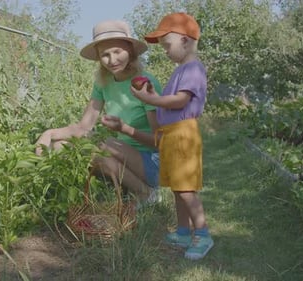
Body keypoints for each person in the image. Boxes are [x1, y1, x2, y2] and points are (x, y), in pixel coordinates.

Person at [34, 20, 162, 204]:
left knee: (102, 142)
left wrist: (124, 129)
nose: (112, 60)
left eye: (117, 52)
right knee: (60, 146)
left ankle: (146, 193)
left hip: (154, 162)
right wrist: (49, 134)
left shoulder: (145, 82)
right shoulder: (104, 82)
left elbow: (160, 141)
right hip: (124, 157)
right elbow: (84, 127)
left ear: (131, 50)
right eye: (105, 55)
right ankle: (126, 188)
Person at [131, 12, 213, 260]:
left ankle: (203, 234)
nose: (165, 51)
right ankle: (183, 232)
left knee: (186, 188)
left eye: (167, 45)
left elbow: (180, 101)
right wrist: (155, 94)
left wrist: (150, 99)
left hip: (183, 135)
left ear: (186, 41)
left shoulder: (193, 68)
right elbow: (169, 101)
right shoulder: (181, 70)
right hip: (172, 135)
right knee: (178, 188)